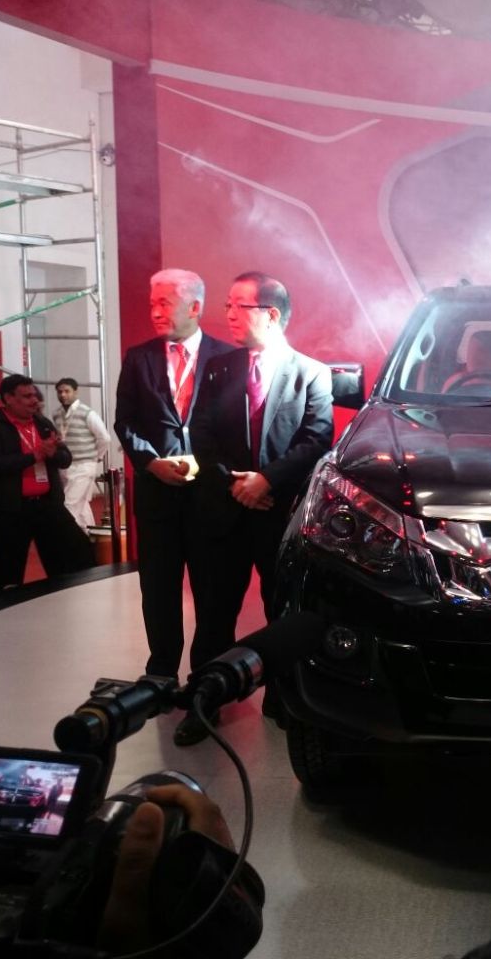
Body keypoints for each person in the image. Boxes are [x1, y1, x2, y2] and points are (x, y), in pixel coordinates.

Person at [185, 271, 333, 745]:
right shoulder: (217, 368)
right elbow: (201, 435)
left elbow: (316, 439)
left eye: (238, 305)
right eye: (227, 304)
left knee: (281, 611)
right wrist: (237, 485)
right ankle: (204, 702)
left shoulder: (311, 372)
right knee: (213, 615)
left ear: (270, 313)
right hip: (223, 512)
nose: (227, 313)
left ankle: (282, 698)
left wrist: (267, 480)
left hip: (280, 515)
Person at [115, 268, 234, 682]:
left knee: (213, 593)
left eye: (164, 303)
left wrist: (206, 461)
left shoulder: (226, 358)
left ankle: (209, 679)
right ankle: (161, 674)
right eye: (152, 303)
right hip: (157, 495)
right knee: (158, 590)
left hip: (210, 497)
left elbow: (233, 427)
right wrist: (151, 462)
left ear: (194, 306)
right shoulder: (139, 357)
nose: (154, 312)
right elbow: (125, 421)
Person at [0, 374, 94, 592]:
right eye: (27, 396)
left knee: (75, 555)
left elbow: (66, 458)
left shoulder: (42, 424)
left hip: (47, 505)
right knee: (8, 571)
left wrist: (52, 454)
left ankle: (67, 600)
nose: (34, 400)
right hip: (11, 509)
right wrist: (34, 456)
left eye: (34, 395)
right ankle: (5, 609)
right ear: (8, 398)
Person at [53, 376, 111, 531]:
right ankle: (88, 538)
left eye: (67, 391)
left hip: (84, 466)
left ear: (76, 392)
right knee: (82, 505)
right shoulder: (56, 414)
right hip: (65, 467)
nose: (63, 395)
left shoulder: (87, 413)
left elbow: (105, 438)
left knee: (68, 505)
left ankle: (70, 540)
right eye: (60, 392)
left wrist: (96, 457)